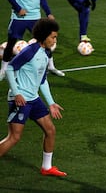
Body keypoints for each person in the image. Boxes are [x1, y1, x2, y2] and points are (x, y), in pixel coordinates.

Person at [0, 18, 67, 177]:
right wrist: (17, 93)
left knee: (50, 130)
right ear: (44, 36)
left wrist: (51, 103)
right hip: (20, 99)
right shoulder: (30, 51)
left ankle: (46, 167)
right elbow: (10, 68)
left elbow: (42, 79)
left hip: (33, 99)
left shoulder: (46, 52)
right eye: (53, 37)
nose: (55, 40)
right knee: (14, 137)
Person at [0, 0, 65, 80]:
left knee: (44, 41)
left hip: (35, 17)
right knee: (11, 43)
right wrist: (18, 9)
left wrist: (48, 13)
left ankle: (51, 67)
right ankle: (3, 70)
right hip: (18, 17)